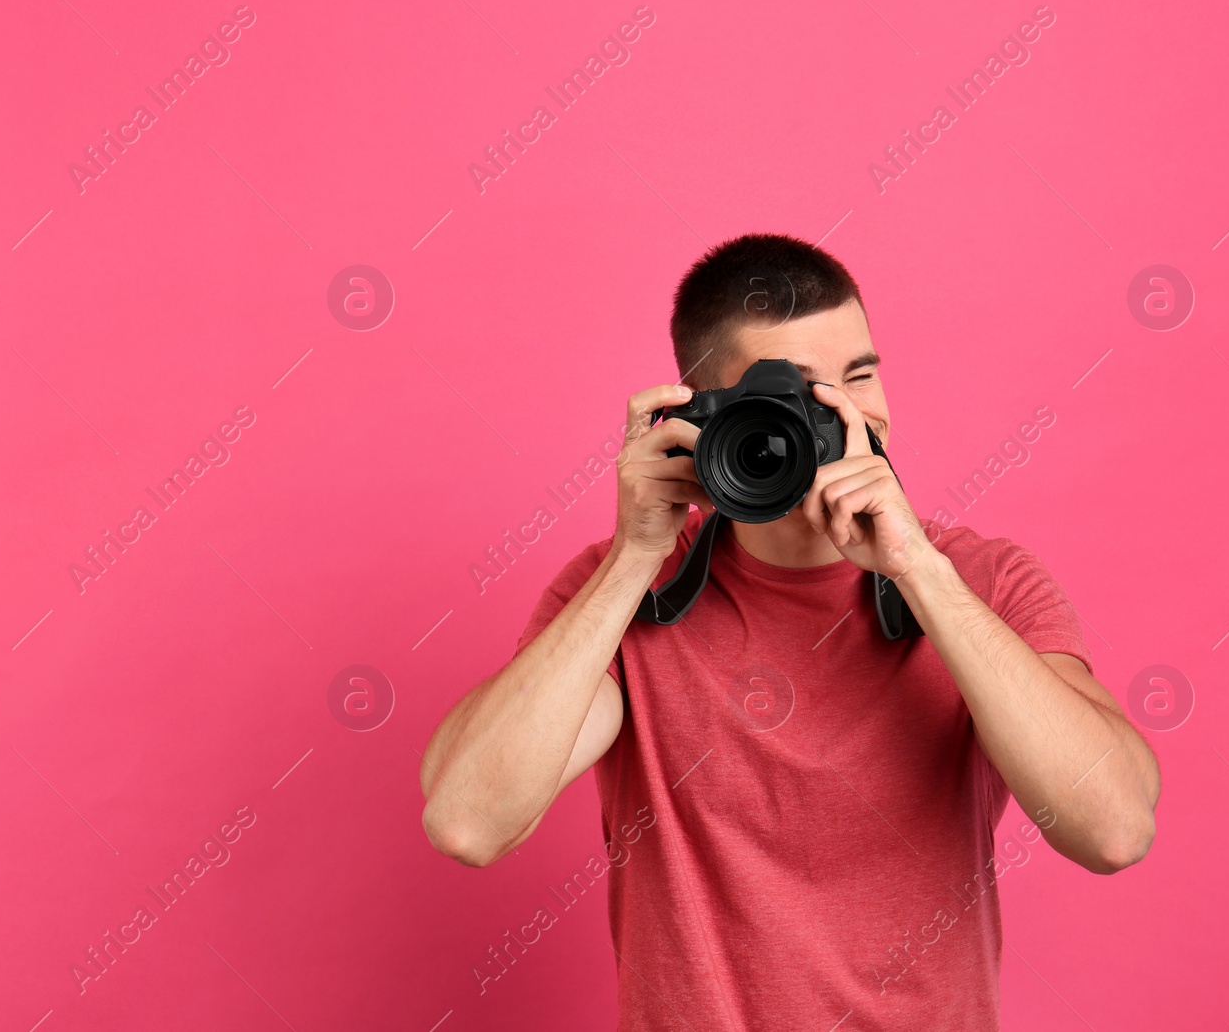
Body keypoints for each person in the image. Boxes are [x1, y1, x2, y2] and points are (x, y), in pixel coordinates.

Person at [418, 233, 1160, 1031]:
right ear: (703, 416)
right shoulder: (625, 594)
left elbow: (1113, 829)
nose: (848, 412)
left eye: (862, 375)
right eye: (802, 393)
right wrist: (634, 558)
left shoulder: (982, 581)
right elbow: (467, 819)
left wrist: (919, 569)